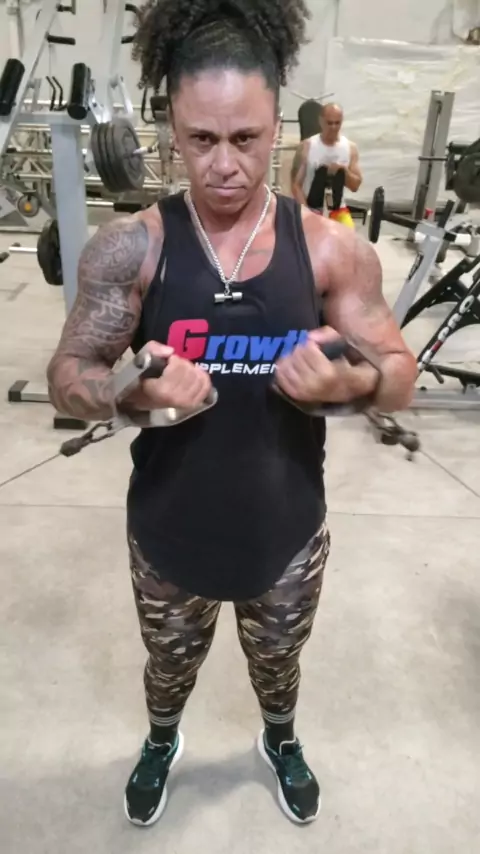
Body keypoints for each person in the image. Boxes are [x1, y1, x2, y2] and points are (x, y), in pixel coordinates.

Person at [47, 0, 417, 830]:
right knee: (167, 665)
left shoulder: (328, 248)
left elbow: (400, 375)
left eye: (245, 139)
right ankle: (162, 739)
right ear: (171, 131)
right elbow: (68, 376)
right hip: (167, 528)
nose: (223, 165)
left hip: (286, 527)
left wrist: (349, 387)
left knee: (279, 662)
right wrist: (129, 391)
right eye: (201, 139)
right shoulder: (133, 247)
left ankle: (279, 738)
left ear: (277, 125)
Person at [291, 103, 362, 225]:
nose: (333, 127)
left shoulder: (350, 148)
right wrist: (306, 212)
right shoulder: (307, 146)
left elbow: (355, 186)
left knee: (349, 232)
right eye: (329, 123)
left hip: (338, 210)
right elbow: (295, 185)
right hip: (311, 207)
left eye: (337, 123)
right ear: (321, 121)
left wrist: (344, 171)